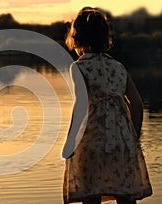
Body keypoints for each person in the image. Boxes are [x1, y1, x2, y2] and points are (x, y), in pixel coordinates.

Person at [62, 7, 152, 204]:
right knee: (125, 195)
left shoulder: (78, 67)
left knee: (91, 194)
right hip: (121, 139)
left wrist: (70, 142)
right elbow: (136, 104)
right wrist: (133, 137)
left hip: (92, 140)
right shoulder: (118, 67)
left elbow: (81, 106)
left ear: (77, 38)